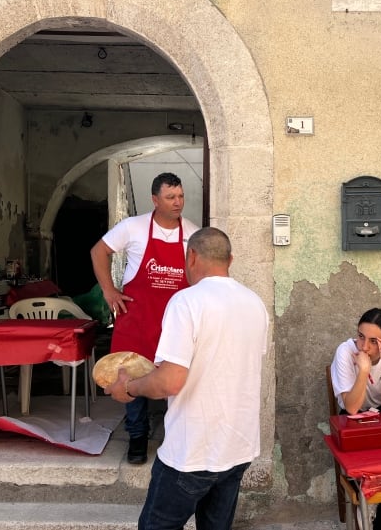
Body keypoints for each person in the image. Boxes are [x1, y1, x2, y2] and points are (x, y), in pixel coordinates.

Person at [106, 227, 269, 530]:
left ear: (191, 257)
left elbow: (169, 382)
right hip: (238, 448)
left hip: (193, 451)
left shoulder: (187, 302)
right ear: (230, 260)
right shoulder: (255, 303)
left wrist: (128, 387)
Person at [90, 172, 200, 464]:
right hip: (137, 320)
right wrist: (108, 290)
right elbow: (98, 251)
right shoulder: (133, 227)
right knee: (130, 377)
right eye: (170, 197)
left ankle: (175, 439)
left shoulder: (192, 233)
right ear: (155, 200)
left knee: (175, 380)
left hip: (174, 324)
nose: (178, 203)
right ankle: (137, 437)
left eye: (180, 196)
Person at [330, 308, 381, 530]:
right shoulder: (346, 351)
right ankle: (365, 510)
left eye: (374, 341)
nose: (364, 346)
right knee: (365, 472)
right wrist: (363, 370)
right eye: (361, 336)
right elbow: (352, 407)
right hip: (352, 420)